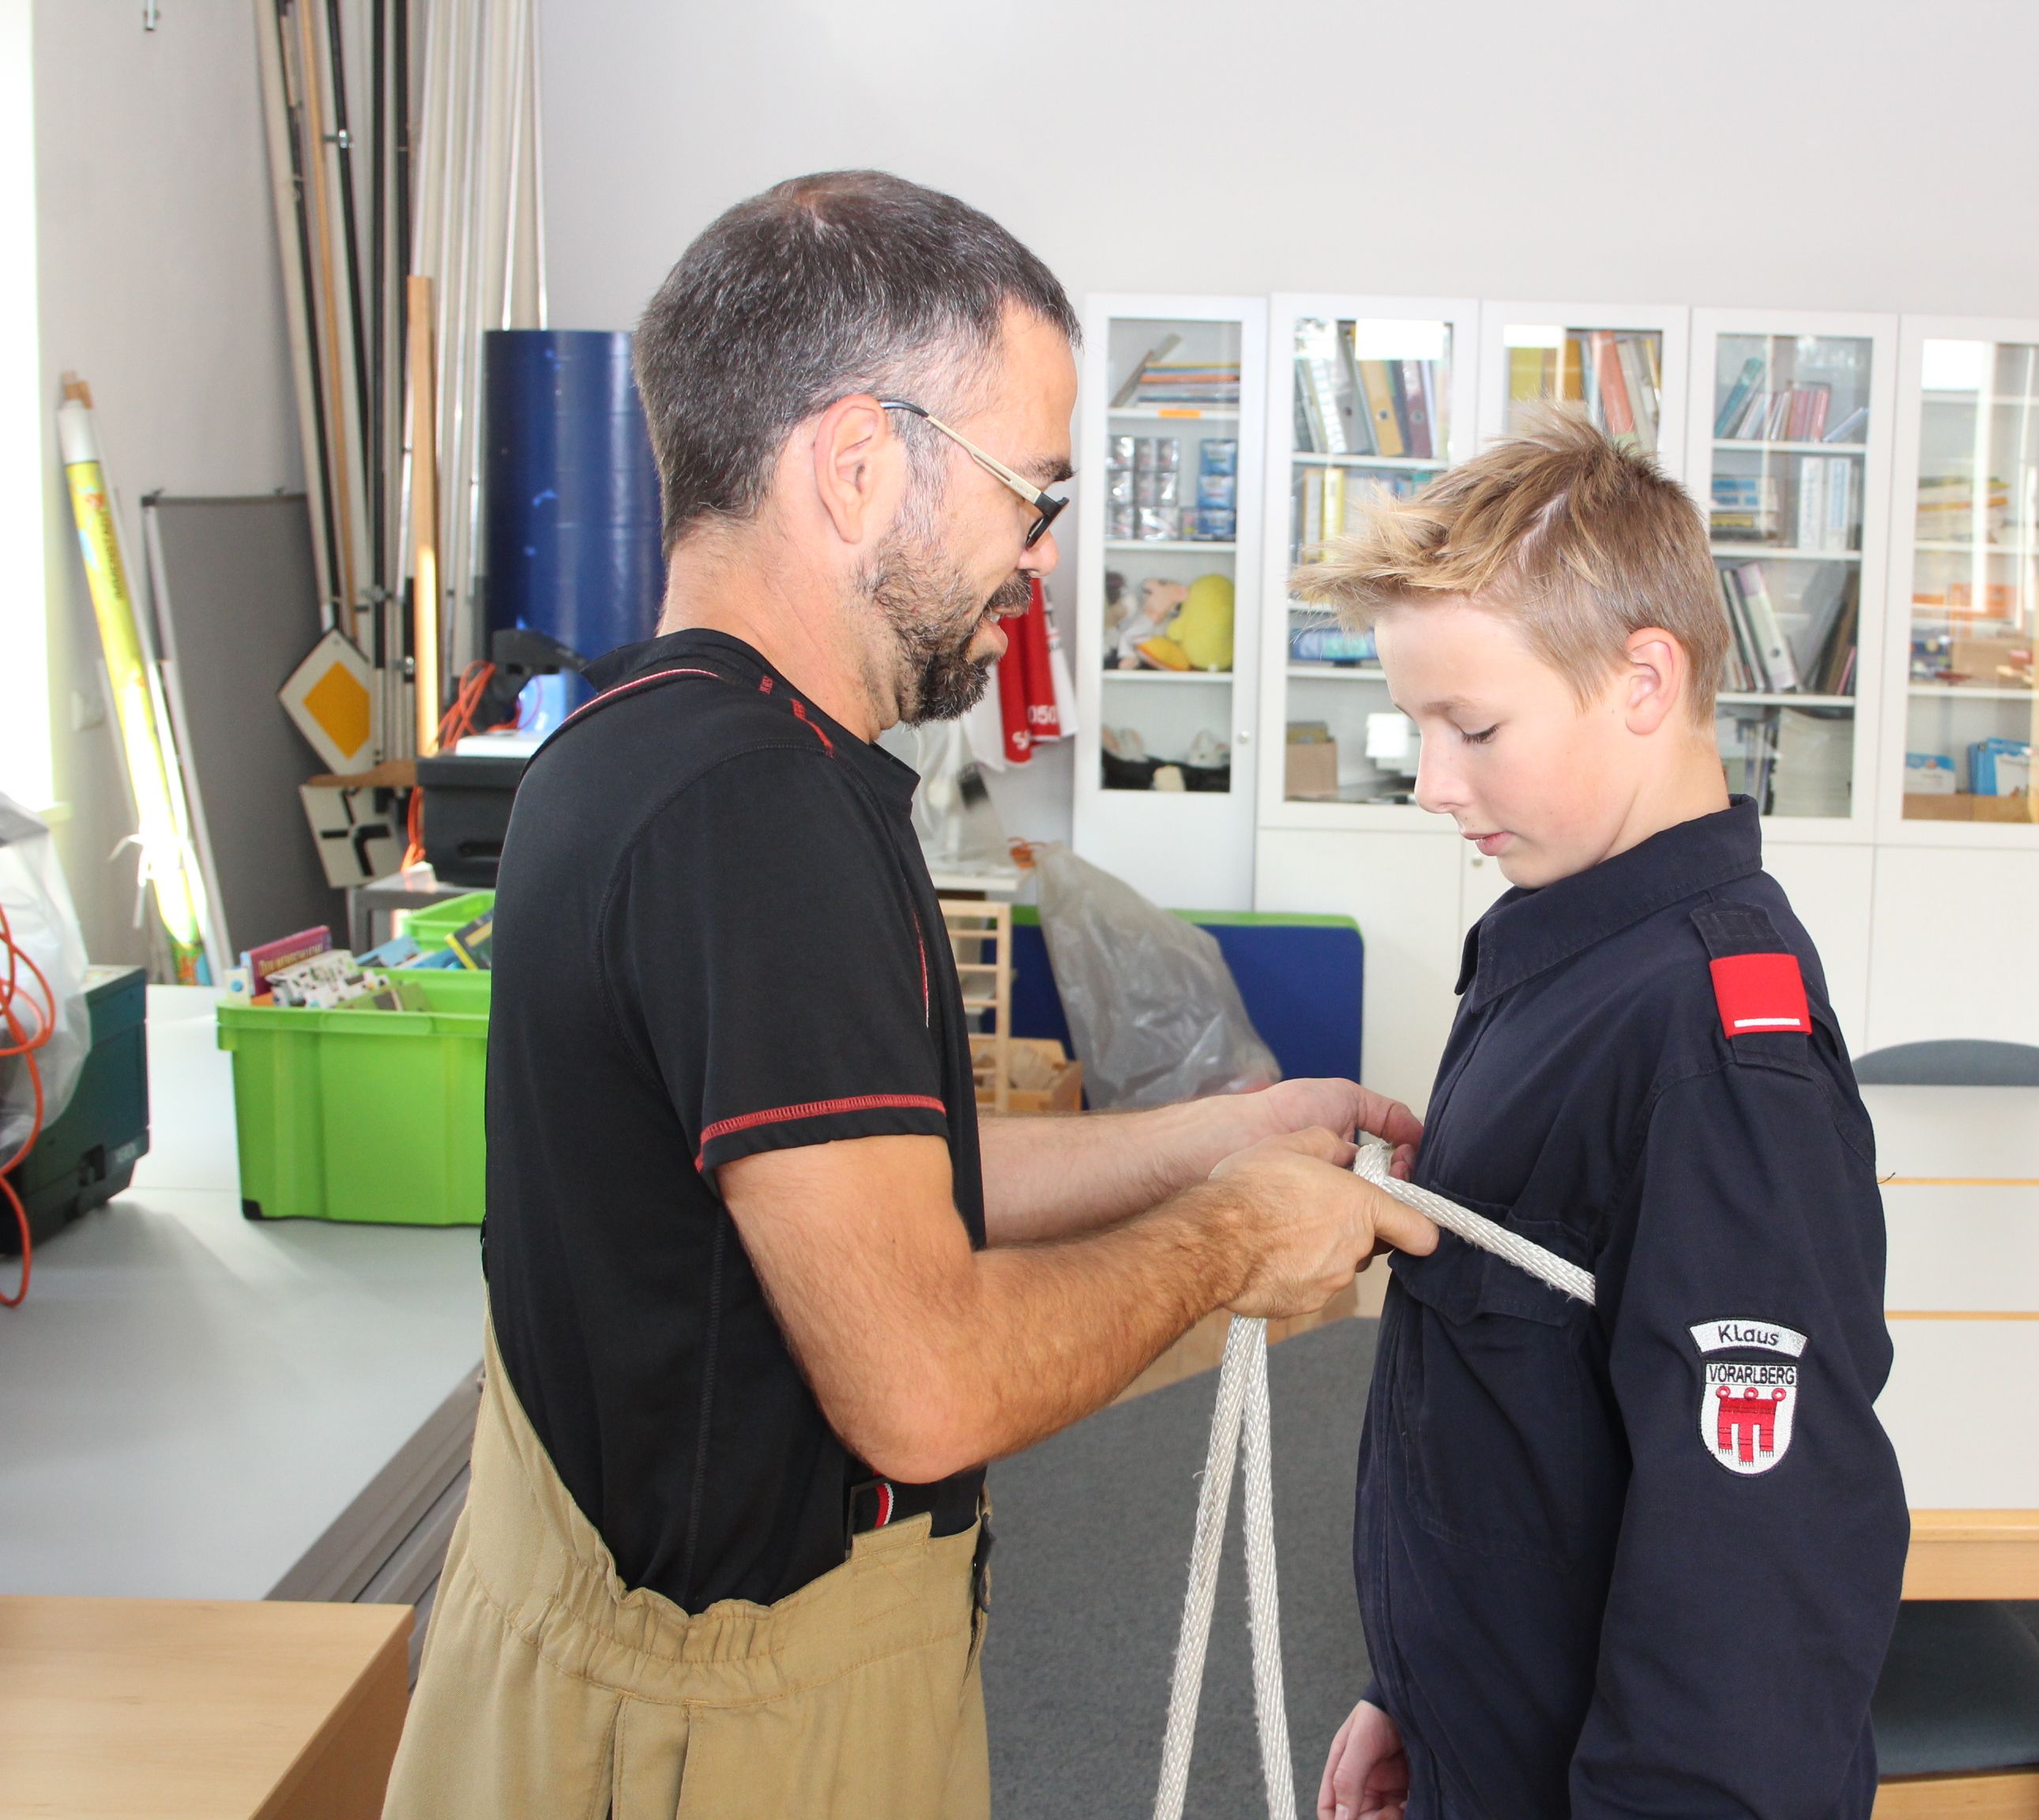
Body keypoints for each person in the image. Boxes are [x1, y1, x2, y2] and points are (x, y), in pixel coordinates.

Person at [382, 172, 1436, 1820]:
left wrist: (1218, 1139)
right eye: (1031, 493)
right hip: (724, 1727)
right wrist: (1233, 1240)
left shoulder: (645, 747)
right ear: (859, 465)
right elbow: (923, 1382)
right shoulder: (754, 817)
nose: (1038, 556)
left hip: (633, 1658)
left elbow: (875, 1192)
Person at [1293, 411, 1909, 1820]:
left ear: (1643, 681)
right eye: (1418, 729)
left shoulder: (1710, 1041)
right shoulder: (1566, 951)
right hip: (1496, 1735)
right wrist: (1417, 1685)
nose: (1434, 784)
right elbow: (1530, 1420)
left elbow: (1752, 1578)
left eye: (1474, 728)